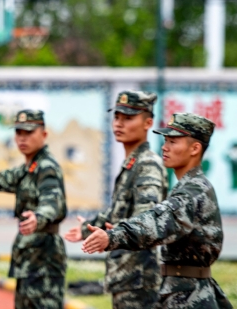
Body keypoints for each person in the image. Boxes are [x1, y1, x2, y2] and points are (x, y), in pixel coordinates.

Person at [82, 113, 233, 309]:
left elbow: (157, 221)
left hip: (189, 296)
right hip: (183, 290)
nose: (164, 147)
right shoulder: (189, 187)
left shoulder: (192, 192)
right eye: (165, 140)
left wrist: (114, 236)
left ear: (195, 148)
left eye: (172, 141)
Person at [64, 90, 167, 308]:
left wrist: (112, 235)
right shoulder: (132, 163)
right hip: (125, 276)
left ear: (148, 122)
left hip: (139, 279)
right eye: (117, 117)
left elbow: (147, 220)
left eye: (128, 118)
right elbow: (118, 213)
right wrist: (90, 228)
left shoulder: (147, 165)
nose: (119, 124)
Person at [0, 110, 67, 309]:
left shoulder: (46, 167)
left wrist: (38, 217)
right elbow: (10, 177)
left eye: (29, 132)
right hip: (29, 256)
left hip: (44, 257)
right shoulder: (30, 167)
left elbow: (53, 201)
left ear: (44, 134)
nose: (22, 138)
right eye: (19, 132)